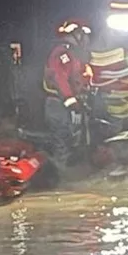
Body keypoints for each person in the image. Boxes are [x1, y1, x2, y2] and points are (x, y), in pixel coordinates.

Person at [42, 18, 92, 164]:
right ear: (77, 34)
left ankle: (76, 172)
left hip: (71, 104)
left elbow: (81, 77)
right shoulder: (62, 53)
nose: (87, 40)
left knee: (76, 139)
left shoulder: (75, 55)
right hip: (58, 103)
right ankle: (61, 174)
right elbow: (59, 78)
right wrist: (71, 101)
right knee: (62, 138)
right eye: (84, 35)